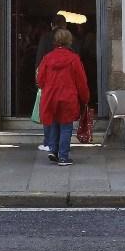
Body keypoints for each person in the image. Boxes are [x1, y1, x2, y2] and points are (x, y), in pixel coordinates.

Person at [36, 27, 89, 167]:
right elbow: (81, 81)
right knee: (66, 126)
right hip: (68, 97)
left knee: (53, 123)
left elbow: (40, 80)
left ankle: (53, 150)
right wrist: (85, 98)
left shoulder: (47, 58)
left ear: (55, 41)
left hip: (50, 97)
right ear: (69, 41)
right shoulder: (74, 59)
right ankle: (63, 157)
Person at [34, 13, 66, 152]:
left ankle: (48, 142)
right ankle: (62, 146)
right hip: (65, 83)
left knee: (48, 112)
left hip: (48, 83)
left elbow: (39, 61)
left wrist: (39, 82)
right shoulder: (71, 39)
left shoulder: (45, 38)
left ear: (51, 25)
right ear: (65, 25)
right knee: (64, 116)